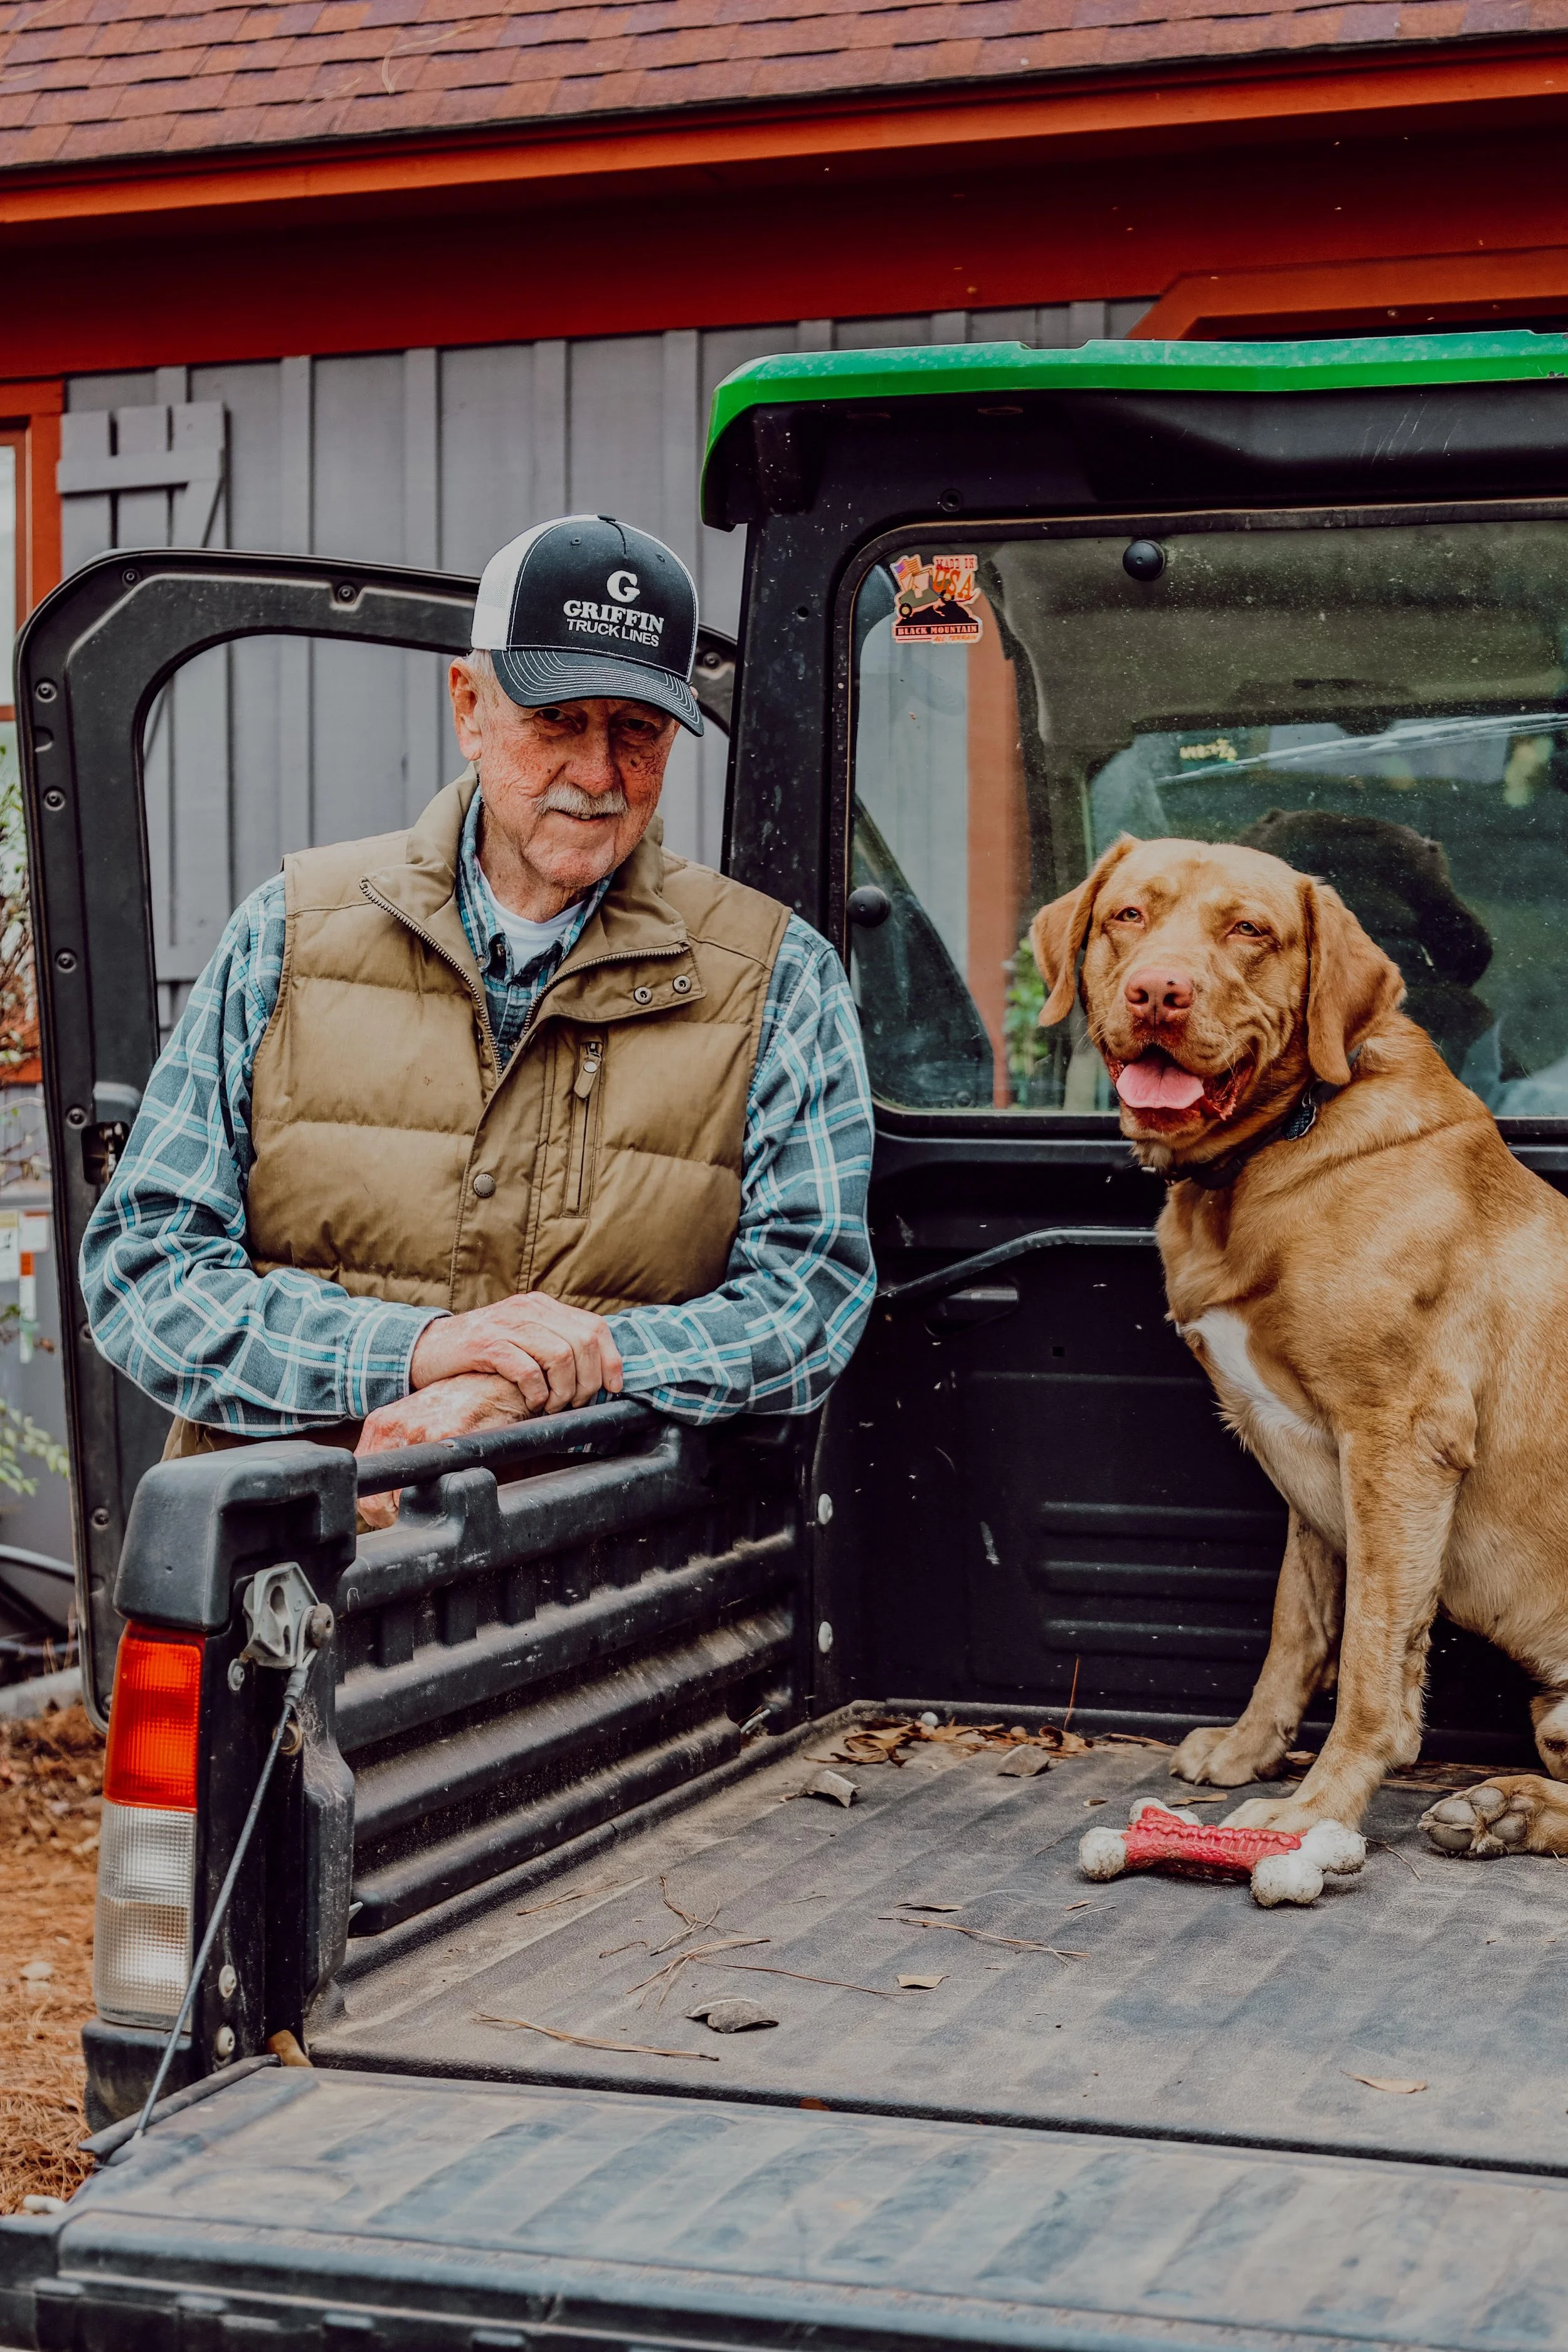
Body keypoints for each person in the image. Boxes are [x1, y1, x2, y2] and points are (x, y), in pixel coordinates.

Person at [81, 516, 875, 1515]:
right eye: (557, 720)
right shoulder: (287, 935)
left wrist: (547, 1377)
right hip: (285, 1583)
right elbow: (148, 1271)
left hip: (601, 1586)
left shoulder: (777, 979)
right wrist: (411, 1351)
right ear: (470, 705)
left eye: (636, 729)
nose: (597, 774)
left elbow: (810, 1297)